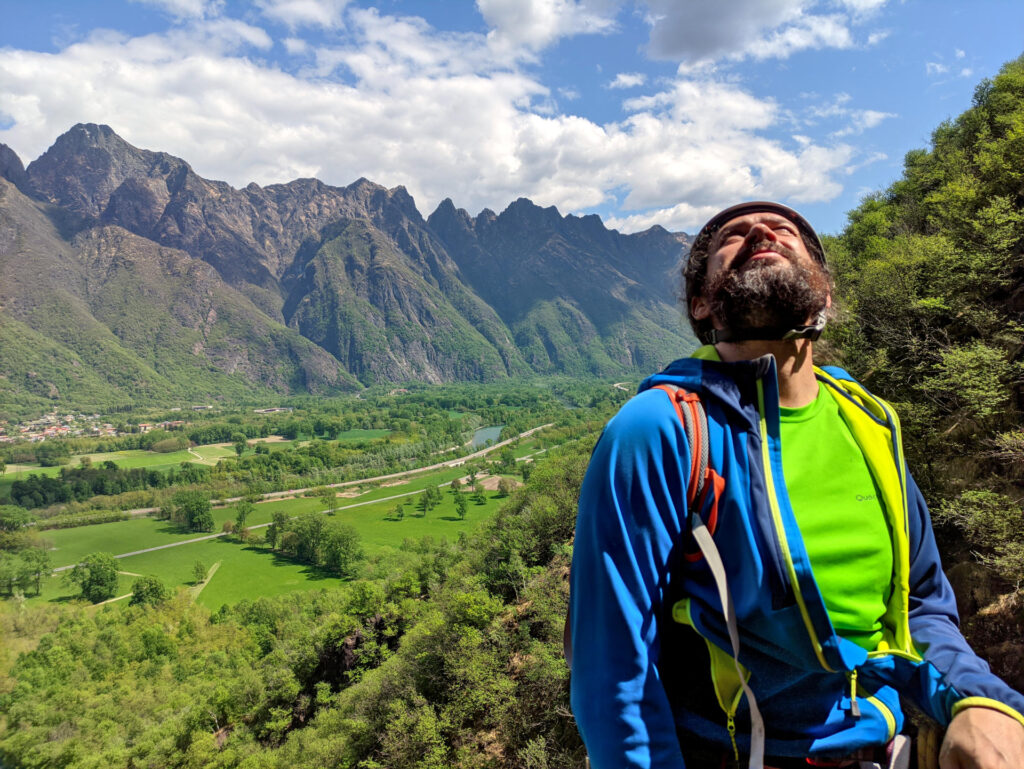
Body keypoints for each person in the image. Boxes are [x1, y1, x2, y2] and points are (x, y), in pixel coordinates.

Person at [568, 201, 1024, 769]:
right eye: (732, 237)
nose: (762, 230)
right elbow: (613, 667)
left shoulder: (868, 421)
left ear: (825, 294)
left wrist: (979, 701)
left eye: (787, 231)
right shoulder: (662, 429)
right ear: (702, 303)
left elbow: (921, 604)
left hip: (884, 746)